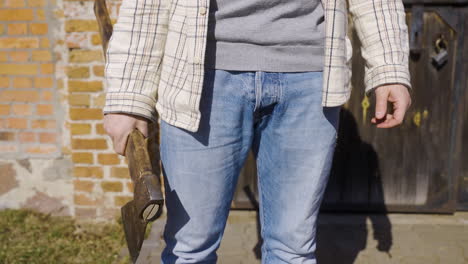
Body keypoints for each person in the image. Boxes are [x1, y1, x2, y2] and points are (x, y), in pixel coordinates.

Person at [102, 0, 412, 262]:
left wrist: (389, 68)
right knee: (189, 247)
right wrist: (128, 97)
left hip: (311, 75)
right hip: (201, 78)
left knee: (294, 248)